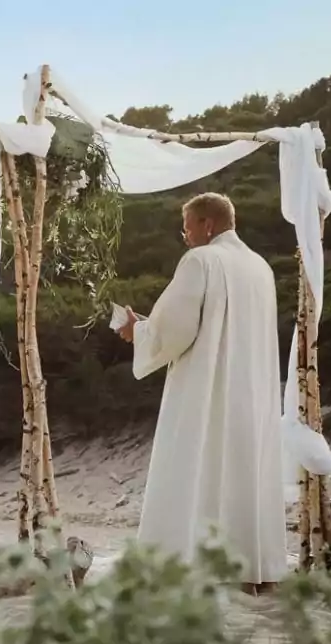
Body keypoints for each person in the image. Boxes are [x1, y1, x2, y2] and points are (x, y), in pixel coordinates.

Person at [117, 192, 286, 593]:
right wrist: (151, 327)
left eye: (188, 227)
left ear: (207, 224)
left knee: (196, 467)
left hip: (208, 388)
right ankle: (251, 568)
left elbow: (176, 331)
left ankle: (187, 565)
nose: (185, 236)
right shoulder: (260, 267)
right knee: (244, 474)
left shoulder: (201, 260)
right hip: (252, 390)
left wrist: (137, 330)